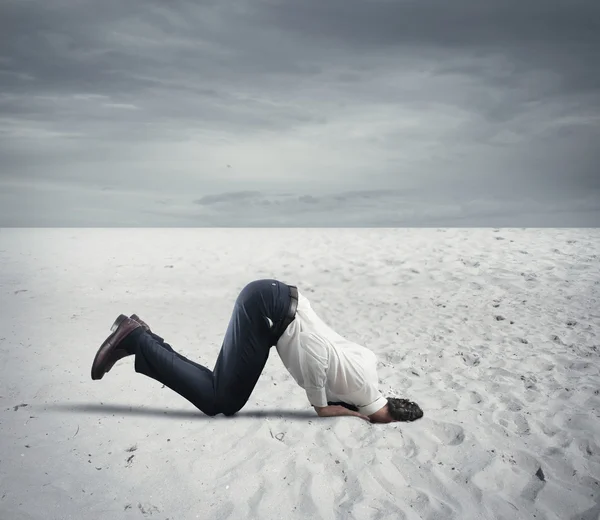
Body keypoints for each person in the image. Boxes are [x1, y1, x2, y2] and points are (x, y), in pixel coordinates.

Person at [91, 279, 423, 423]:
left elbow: (343, 351)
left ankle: (141, 338)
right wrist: (324, 406)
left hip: (273, 303)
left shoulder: (368, 373)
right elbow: (315, 348)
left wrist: (337, 404)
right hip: (269, 309)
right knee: (221, 400)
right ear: (388, 419)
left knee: (222, 390)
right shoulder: (359, 385)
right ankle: (136, 340)